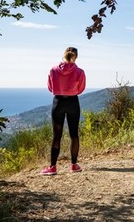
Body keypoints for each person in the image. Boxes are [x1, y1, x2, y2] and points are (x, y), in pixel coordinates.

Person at [40, 47, 86, 175]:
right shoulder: (80, 72)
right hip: (73, 103)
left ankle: (52, 167)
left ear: (63, 55)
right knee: (74, 134)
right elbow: (81, 89)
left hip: (58, 102)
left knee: (57, 136)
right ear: (76, 56)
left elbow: (50, 87)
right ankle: (74, 165)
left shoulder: (53, 70)